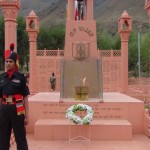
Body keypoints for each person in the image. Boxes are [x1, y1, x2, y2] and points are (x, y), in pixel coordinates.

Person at [0, 43, 30, 150]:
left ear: (15, 63)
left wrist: (26, 116)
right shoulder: (1, 78)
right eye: (6, 61)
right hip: (4, 110)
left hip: (18, 109)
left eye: (10, 61)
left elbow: (25, 97)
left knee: (20, 138)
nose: (8, 63)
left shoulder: (21, 77)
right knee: (3, 138)